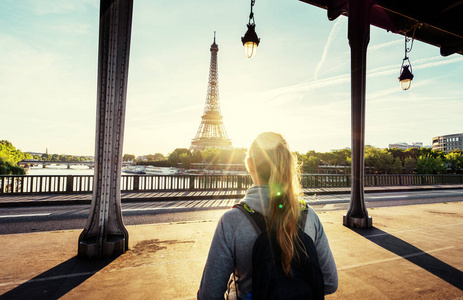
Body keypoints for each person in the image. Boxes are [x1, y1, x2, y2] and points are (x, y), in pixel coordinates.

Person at [197, 132, 338, 299]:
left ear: (249, 164)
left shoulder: (231, 221)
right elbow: (330, 282)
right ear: (287, 164)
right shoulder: (309, 216)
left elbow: (209, 295)